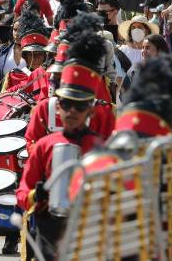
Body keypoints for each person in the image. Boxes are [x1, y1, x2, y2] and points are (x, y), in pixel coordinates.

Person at [16, 30, 106, 260]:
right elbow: (23, 191)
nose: (72, 111)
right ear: (58, 107)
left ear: (89, 108)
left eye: (79, 106)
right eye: (66, 104)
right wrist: (38, 194)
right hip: (50, 224)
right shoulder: (46, 145)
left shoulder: (100, 148)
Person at [0, 19, 27, 88]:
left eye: (21, 30)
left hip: (27, 95)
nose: (17, 34)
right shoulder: (2, 50)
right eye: (15, 30)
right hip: (4, 95)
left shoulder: (33, 53)